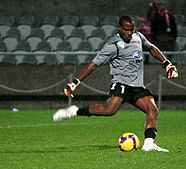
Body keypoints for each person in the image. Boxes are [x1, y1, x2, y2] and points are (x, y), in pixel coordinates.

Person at [53, 15, 178, 152]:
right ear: (119, 28)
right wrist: (75, 82)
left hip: (137, 86)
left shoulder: (138, 37)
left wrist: (166, 63)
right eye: (126, 30)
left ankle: (148, 144)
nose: (130, 33)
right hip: (121, 83)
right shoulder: (112, 46)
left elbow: (152, 48)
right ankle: (75, 111)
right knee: (109, 110)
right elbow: (93, 65)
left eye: (131, 29)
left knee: (153, 110)